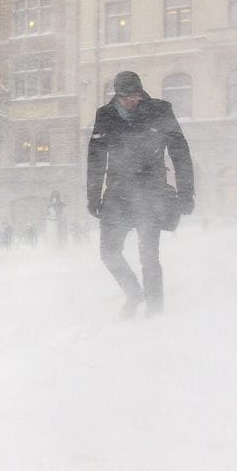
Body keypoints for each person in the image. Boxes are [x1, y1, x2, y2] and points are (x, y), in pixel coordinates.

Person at [86, 71, 194, 318]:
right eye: (125, 97)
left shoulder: (160, 111)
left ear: (141, 92)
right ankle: (134, 292)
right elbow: (95, 158)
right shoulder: (105, 115)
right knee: (109, 252)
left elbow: (180, 153)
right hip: (117, 195)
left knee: (149, 256)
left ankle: (155, 311)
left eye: (135, 95)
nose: (131, 101)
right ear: (117, 95)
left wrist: (187, 193)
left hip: (150, 195)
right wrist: (93, 196)